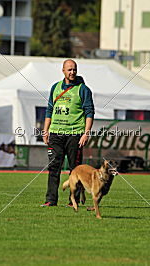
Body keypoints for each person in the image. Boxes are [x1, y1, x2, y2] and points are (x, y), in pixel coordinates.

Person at [41, 59, 95, 207]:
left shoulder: (83, 89)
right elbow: (49, 110)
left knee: (75, 170)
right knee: (53, 168)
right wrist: (45, 131)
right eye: (69, 69)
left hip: (75, 135)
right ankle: (50, 200)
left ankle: (74, 200)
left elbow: (89, 112)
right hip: (55, 134)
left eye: (74, 69)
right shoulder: (55, 88)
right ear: (63, 71)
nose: (72, 72)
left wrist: (86, 133)